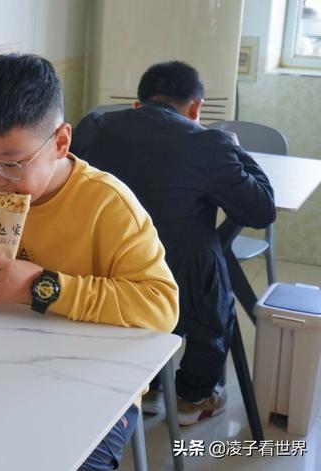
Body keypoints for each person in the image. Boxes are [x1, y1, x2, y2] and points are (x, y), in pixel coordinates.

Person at [0, 54, 179, 470]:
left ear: (61, 142)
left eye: (11, 164)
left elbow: (161, 307)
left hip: (90, 386)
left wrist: (40, 287)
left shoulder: (108, 205)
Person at [71, 60, 276, 426]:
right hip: (179, 287)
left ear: (138, 104)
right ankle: (193, 397)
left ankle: (145, 386)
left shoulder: (95, 127)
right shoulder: (207, 143)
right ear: (196, 108)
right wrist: (236, 149)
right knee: (208, 264)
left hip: (99, 279)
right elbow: (261, 209)